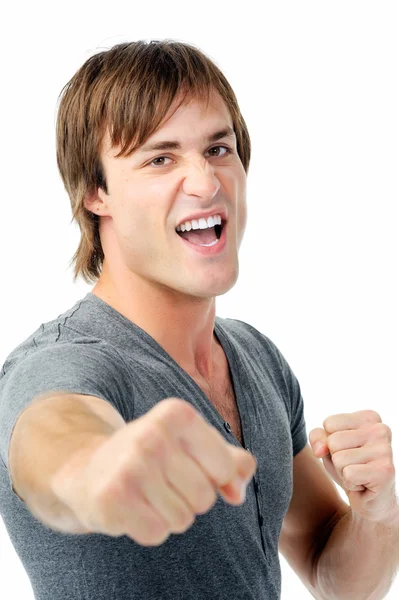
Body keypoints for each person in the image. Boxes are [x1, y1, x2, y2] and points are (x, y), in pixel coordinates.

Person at [0, 40, 397, 600]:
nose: (207, 183)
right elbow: (54, 440)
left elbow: (334, 573)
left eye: (218, 149)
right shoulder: (66, 362)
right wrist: (95, 469)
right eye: (160, 158)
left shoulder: (256, 357)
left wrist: (375, 512)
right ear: (95, 193)